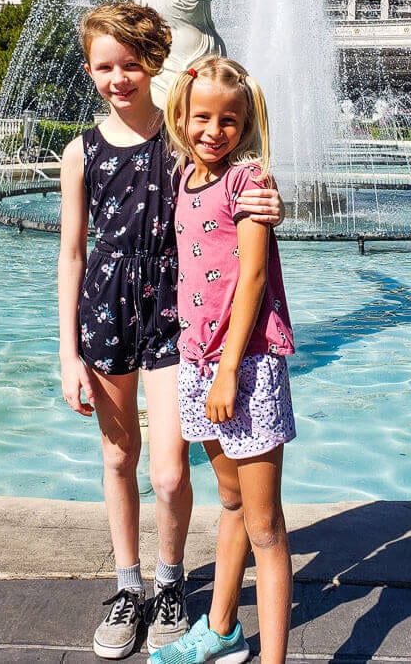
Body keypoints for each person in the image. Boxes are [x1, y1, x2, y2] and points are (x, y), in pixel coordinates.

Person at [58, 4, 282, 660]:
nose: (118, 77)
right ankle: (127, 585)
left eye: (131, 64)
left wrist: (273, 200)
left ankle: (170, 577)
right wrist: (67, 350)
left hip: (169, 315)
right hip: (104, 312)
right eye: (104, 66)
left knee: (168, 469)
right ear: (90, 69)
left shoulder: (182, 140)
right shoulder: (81, 151)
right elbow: (72, 252)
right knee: (118, 456)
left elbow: (235, 184)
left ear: (155, 64)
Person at [151, 56, 295, 664]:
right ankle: (223, 631)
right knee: (231, 502)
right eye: (202, 116)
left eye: (229, 120)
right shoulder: (185, 175)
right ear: (180, 117)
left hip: (246, 364)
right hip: (197, 363)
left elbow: (254, 276)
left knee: (265, 526)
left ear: (246, 123)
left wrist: (230, 367)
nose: (214, 130)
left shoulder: (247, 181)